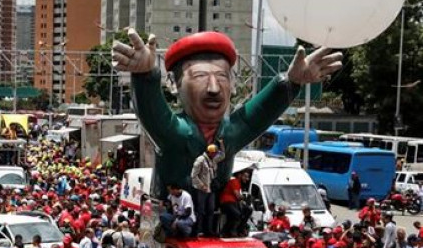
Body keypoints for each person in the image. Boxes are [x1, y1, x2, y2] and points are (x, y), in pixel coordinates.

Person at [111, 28, 342, 201]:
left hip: (219, 226)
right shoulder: (174, 132)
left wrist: (292, 82)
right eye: (200, 76)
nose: (213, 88)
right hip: (174, 227)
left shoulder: (231, 133)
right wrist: (145, 77)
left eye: (222, 77)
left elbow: (260, 113)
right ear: (174, 84)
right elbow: (152, 113)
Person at [191, 141, 225, 236]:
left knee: (211, 210)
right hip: (203, 190)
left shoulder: (213, 160)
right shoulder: (200, 160)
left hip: (211, 189)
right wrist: (202, 186)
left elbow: (222, 155)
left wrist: (221, 144)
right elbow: (193, 175)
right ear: (209, 152)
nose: (215, 154)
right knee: (200, 210)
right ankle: (198, 230)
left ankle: (209, 230)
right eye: (214, 153)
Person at [220, 170, 248, 237]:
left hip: (232, 203)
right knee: (237, 215)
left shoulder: (238, 184)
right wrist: (244, 197)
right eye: (245, 176)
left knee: (246, 210)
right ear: (239, 175)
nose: (247, 179)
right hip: (226, 202)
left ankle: (239, 229)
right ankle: (230, 231)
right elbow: (238, 196)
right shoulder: (234, 181)